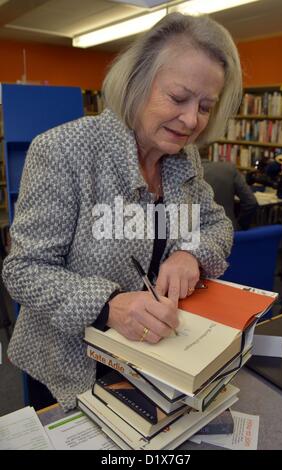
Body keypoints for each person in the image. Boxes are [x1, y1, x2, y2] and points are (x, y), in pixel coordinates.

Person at [2, 12, 243, 411]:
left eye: (205, 106)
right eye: (178, 98)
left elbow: (216, 223)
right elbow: (23, 269)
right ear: (137, 83)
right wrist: (108, 305)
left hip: (155, 356)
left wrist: (191, 253)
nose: (191, 120)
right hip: (72, 362)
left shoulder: (185, 160)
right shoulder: (62, 151)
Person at [201, 158, 258, 230]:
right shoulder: (229, 169)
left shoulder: (187, 174)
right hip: (229, 232)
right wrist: (240, 226)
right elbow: (251, 202)